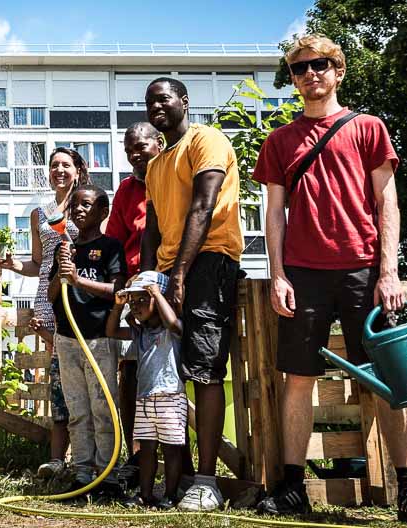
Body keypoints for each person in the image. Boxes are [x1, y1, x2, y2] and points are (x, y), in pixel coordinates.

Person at [252, 35, 407, 528]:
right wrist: (277, 275)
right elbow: (274, 214)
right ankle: (293, 490)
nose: (310, 74)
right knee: (298, 380)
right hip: (302, 275)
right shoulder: (279, 142)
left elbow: (388, 204)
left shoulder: (368, 128)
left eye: (320, 65)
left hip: (363, 271)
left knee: (391, 381)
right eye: (299, 69)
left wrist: (389, 272)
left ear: (338, 71)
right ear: (292, 80)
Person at [141, 76, 244, 511]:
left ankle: (207, 481)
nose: (156, 106)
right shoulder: (156, 164)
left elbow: (204, 205)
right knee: (167, 378)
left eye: (163, 98)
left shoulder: (207, 141)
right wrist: (147, 279)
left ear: (184, 101)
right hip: (168, 270)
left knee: (204, 368)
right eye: (149, 102)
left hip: (210, 262)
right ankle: (177, 477)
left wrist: (180, 273)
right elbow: (152, 227)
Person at [0, 147, 87, 478]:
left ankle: (88, 457)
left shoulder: (87, 204)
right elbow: (38, 263)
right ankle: (59, 458)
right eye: (54, 166)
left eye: (66, 165)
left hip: (80, 294)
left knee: (87, 372)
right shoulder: (40, 213)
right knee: (58, 378)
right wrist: (13, 265)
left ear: (78, 171)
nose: (59, 170)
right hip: (47, 300)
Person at [48, 184, 127, 500]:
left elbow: (117, 289)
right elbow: (52, 295)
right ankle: (81, 474)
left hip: (98, 339)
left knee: (103, 407)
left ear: (103, 212)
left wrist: (79, 280)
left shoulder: (110, 247)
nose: (79, 210)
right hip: (67, 339)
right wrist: (62, 273)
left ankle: (108, 474)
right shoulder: (63, 248)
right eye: (75, 205)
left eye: (87, 204)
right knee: (78, 409)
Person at [105, 123, 164, 486]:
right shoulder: (126, 190)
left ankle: (177, 460)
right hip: (134, 292)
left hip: (170, 289)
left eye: (140, 146)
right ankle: (136, 456)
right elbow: (115, 242)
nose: (134, 154)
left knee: (171, 377)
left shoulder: (174, 176)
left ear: (158, 144)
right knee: (130, 372)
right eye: (129, 150)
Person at [107, 271, 185, 509]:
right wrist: (120, 306)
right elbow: (111, 331)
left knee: (172, 451)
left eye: (144, 299)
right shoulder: (140, 333)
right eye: (134, 301)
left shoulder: (172, 331)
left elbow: (173, 322)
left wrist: (156, 294)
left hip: (170, 397)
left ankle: (171, 495)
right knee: (146, 450)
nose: (138, 306)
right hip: (145, 400)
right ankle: (146, 494)